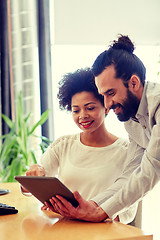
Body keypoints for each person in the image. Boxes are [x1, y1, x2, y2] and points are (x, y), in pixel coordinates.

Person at [49, 34, 160, 223]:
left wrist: (101, 212)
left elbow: (150, 170)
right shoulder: (132, 119)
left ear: (134, 83)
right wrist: (92, 205)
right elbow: (130, 174)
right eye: (103, 95)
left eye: (110, 93)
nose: (107, 104)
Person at [22, 68, 138, 224]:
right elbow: (30, 188)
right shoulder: (62, 145)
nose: (82, 116)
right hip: (66, 229)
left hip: (104, 232)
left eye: (90, 108)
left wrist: (95, 214)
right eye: (76, 110)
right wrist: (32, 175)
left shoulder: (126, 150)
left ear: (106, 107)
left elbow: (129, 212)